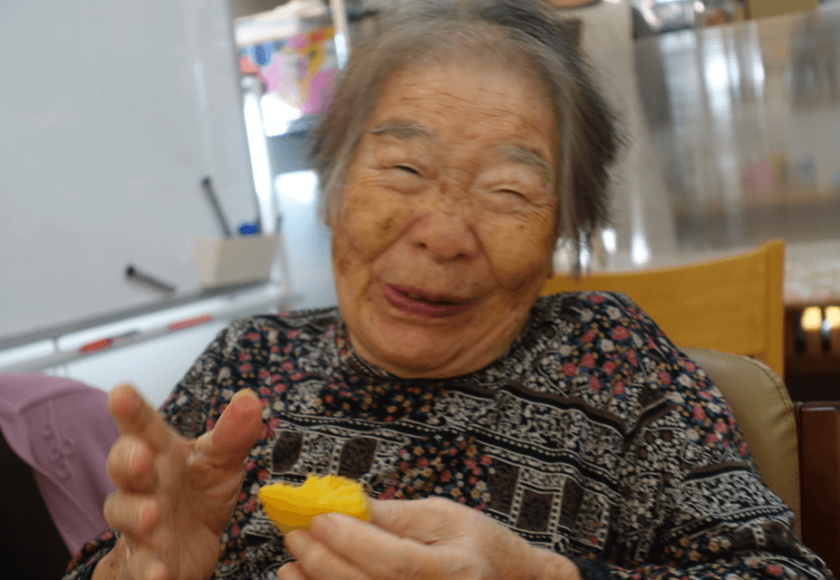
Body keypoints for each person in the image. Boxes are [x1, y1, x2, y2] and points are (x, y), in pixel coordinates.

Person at [64, 1, 831, 579]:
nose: (444, 233)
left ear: (562, 231)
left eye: (506, 191)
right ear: (331, 194)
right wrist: (134, 570)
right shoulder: (248, 363)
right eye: (403, 171)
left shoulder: (611, 358)